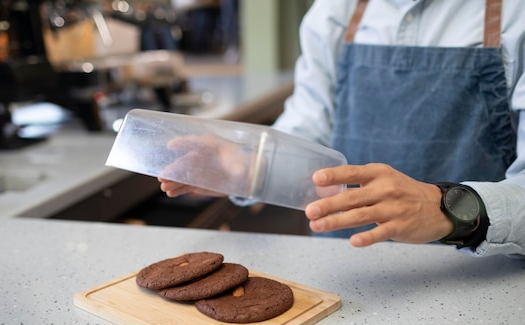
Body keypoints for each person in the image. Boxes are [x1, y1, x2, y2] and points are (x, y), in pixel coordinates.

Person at [159, 0, 525, 258]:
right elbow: (310, 130)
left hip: (475, 281)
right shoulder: (335, 11)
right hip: (342, 272)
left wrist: (447, 210)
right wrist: (248, 168)